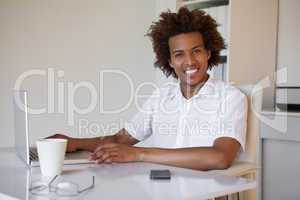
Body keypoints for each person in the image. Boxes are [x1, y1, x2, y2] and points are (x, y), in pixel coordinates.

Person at [51, 7, 247, 171]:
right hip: (160, 186)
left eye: (196, 51)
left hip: (204, 190)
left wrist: (139, 153)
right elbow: (120, 139)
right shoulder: (161, 96)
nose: (189, 61)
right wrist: (73, 143)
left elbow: (220, 157)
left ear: (208, 53)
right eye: (179, 54)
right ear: (169, 61)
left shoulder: (230, 97)